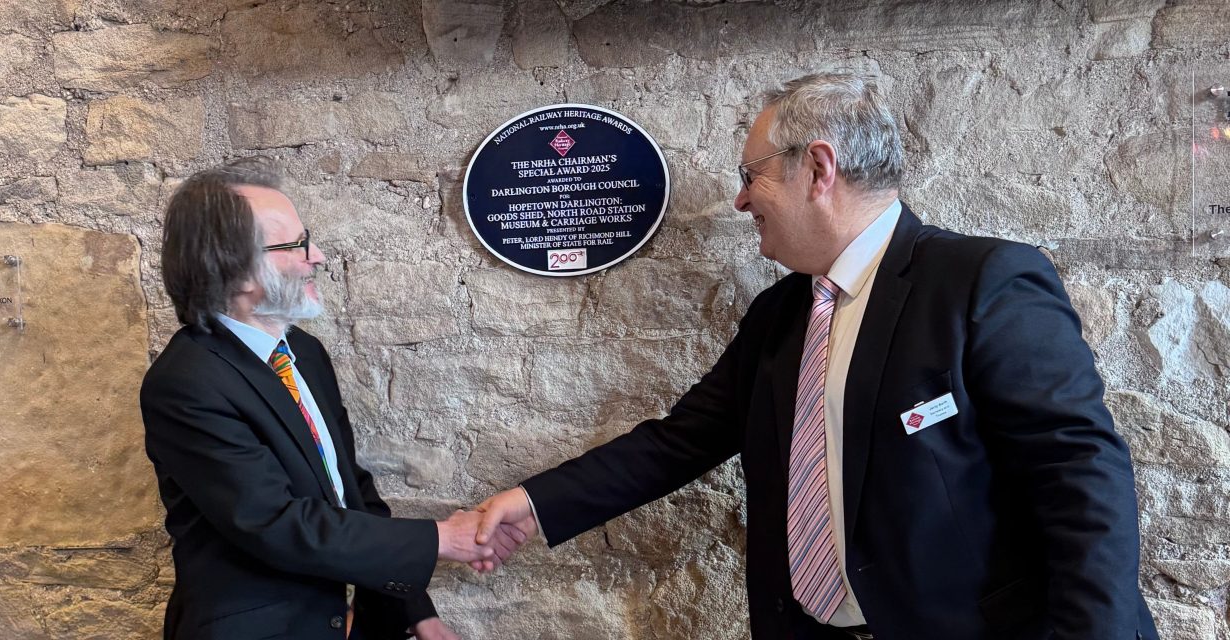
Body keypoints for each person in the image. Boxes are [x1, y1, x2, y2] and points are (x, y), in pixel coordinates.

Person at [474, 73, 1157, 639]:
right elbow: (677, 444)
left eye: (751, 175)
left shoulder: (983, 281)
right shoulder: (781, 316)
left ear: (819, 168)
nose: (741, 199)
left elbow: (1081, 478)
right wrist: (534, 504)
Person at [141, 158, 522, 640]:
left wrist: (413, 611)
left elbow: (349, 492)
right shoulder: (187, 381)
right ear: (233, 270)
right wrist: (443, 539)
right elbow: (276, 524)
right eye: (295, 244)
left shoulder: (303, 352)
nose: (317, 255)